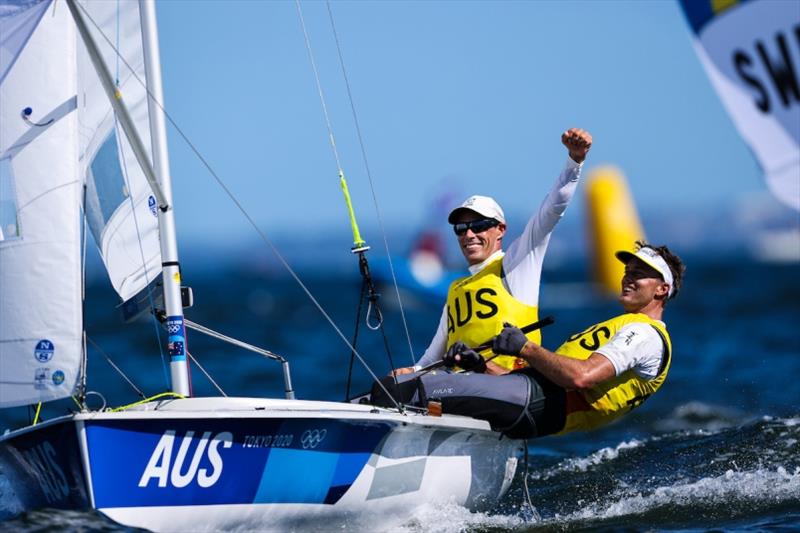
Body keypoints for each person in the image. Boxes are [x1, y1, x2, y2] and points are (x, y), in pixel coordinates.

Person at [373, 241, 686, 439]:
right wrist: (479, 364)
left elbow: (581, 377)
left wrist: (525, 347)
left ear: (662, 290)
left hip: (537, 405)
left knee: (402, 389)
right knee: (392, 387)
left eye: (640, 274)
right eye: (628, 271)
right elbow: (526, 381)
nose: (628, 277)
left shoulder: (645, 334)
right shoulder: (626, 326)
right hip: (528, 399)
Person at [395, 128, 593, 376]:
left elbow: (552, 209)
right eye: (461, 228)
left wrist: (575, 161)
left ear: (500, 230)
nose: (468, 234)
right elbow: (431, 359)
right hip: (463, 392)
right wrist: (410, 372)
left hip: (512, 389)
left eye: (478, 226)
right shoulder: (457, 290)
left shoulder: (516, 265)